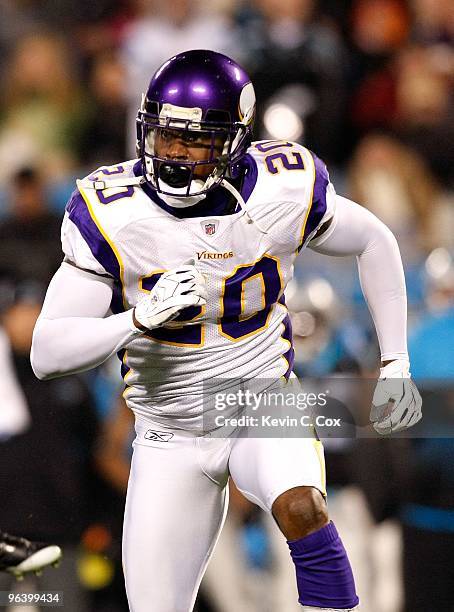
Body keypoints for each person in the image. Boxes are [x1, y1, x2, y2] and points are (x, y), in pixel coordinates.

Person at [30, 50, 422, 611]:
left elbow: (374, 240)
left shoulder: (280, 189)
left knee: (303, 507)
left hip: (261, 399)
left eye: (196, 141)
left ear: (234, 141)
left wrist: (396, 362)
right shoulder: (113, 212)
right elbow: (47, 353)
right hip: (168, 429)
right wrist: (135, 319)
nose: (174, 154)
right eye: (166, 136)